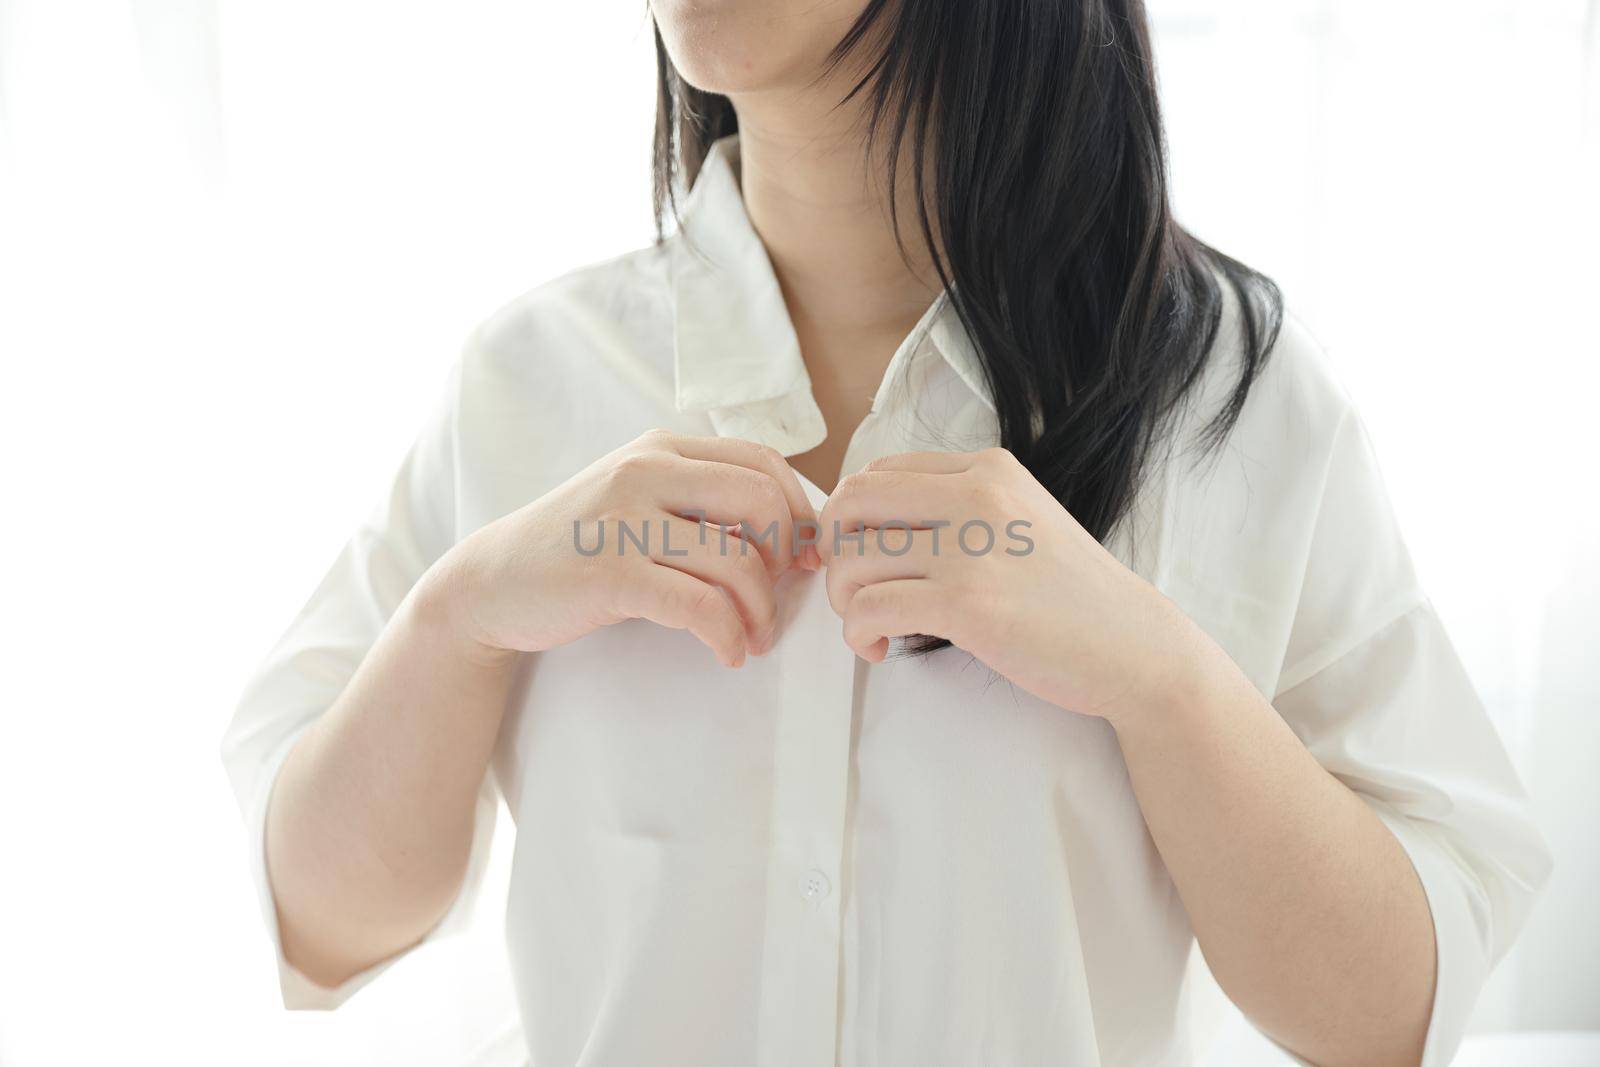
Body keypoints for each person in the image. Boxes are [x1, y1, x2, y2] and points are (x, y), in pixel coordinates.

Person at [221, 2, 1550, 1064]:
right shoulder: (527, 379)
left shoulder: (1236, 405)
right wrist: (463, 614)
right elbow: (318, 927)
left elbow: (1395, 1022)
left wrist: (1159, 677)